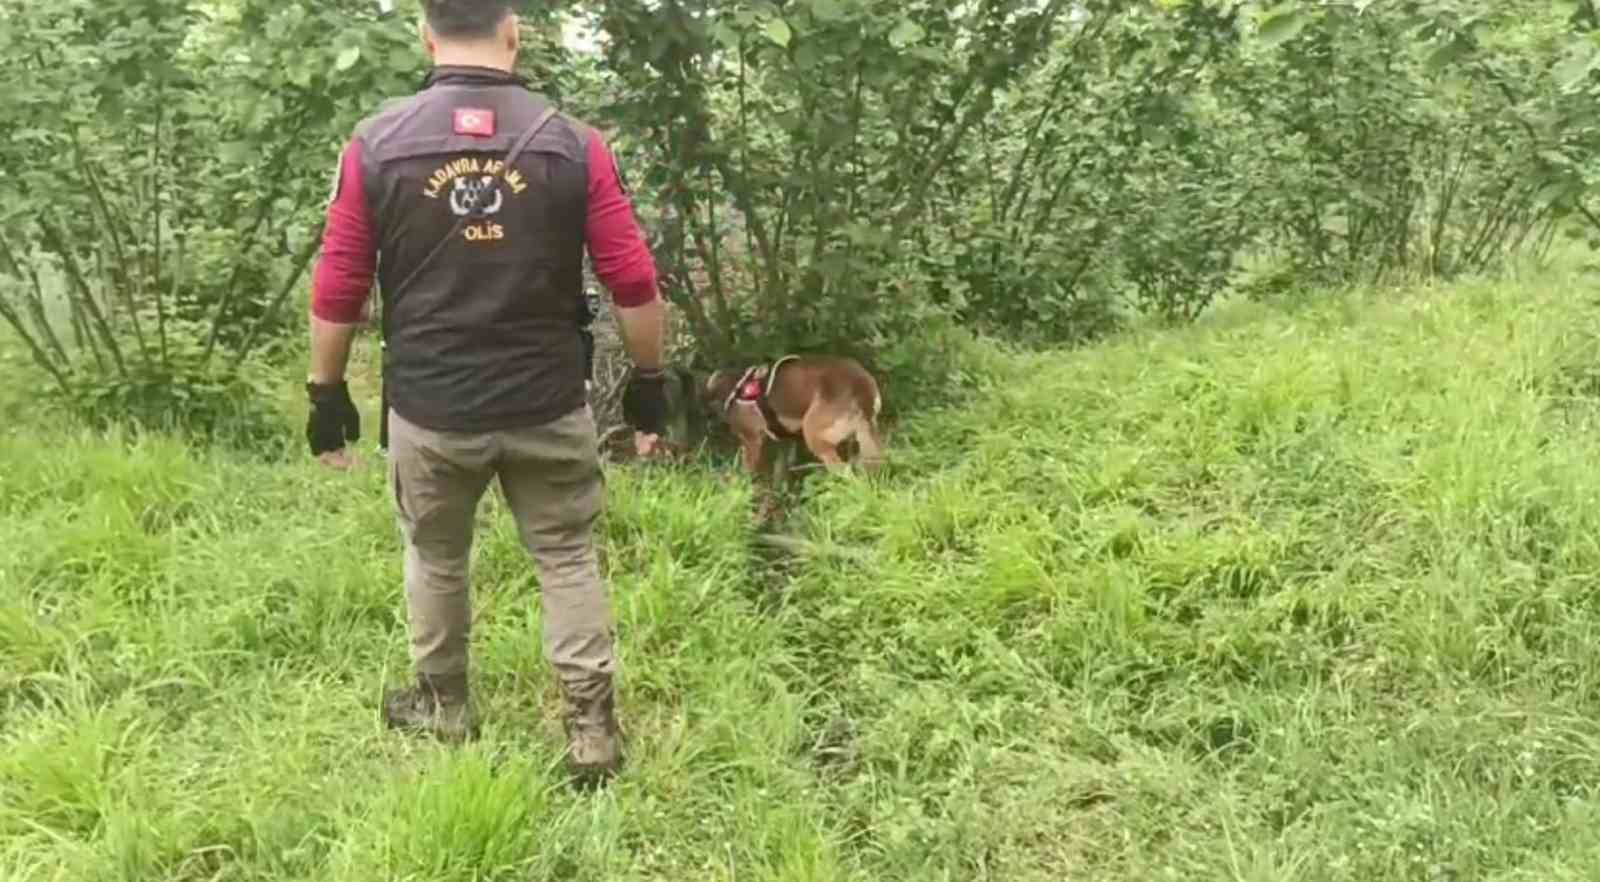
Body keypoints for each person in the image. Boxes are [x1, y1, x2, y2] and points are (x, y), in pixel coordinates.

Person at [300, 0, 670, 788]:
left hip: (432, 409)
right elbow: (633, 278)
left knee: (436, 556)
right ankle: (592, 730)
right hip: (548, 401)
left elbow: (338, 286)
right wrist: (649, 383)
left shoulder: (376, 144)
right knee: (567, 556)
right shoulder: (575, 144)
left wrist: (325, 394)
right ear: (514, 32)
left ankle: (443, 705)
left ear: (427, 36)